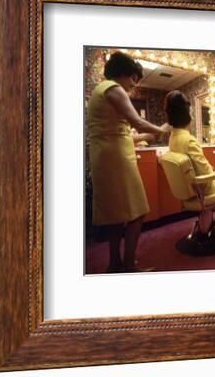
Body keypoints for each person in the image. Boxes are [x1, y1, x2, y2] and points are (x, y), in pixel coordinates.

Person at [88, 51, 171, 273]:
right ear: (124, 74)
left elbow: (123, 133)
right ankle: (128, 266)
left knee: (116, 215)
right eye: (134, 78)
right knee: (138, 212)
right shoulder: (114, 89)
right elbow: (137, 122)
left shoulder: (100, 90)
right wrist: (160, 131)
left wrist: (149, 135)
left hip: (105, 155)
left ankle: (114, 263)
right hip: (115, 157)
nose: (134, 85)